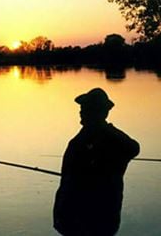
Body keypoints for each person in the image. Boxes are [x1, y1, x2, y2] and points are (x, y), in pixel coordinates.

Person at [53, 88, 140, 236]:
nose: (80, 112)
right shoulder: (111, 138)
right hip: (105, 217)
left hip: (83, 220)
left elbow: (69, 181)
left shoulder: (82, 141)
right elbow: (133, 149)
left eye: (84, 108)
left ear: (95, 112)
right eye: (81, 108)